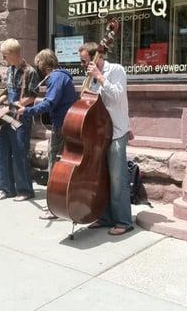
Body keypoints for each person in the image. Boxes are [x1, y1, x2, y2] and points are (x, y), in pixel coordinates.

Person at [79, 42, 133, 235]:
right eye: (81, 62)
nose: (83, 65)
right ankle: (104, 216)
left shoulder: (116, 70)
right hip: (100, 133)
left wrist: (100, 77)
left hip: (117, 131)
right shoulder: (91, 78)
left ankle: (124, 221)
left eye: (85, 61)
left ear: (97, 58)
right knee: (102, 177)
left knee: (118, 179)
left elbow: (117, 96)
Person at [16, 49, 77, 219]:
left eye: (40, 65)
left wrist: (27, 110)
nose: (39, 69)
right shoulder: (63, 76)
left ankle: (54, 206)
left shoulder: (57, 77)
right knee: (62, 165)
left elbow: (50, 102)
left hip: (61, 126)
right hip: (66, 125)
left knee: (54, 165)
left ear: (44, 64)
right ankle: (61, 202)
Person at [0, 38, 39, 201]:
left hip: (21, 117)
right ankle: (6, 189)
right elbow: (6, 92)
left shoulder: (30, 71)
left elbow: (32, 96)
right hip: (6, 116)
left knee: (19, 154)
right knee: (2, 153)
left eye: (5, 55)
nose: (4, 59)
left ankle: (24, 190)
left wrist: (15, 105)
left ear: (13, 54)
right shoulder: (9, 70)